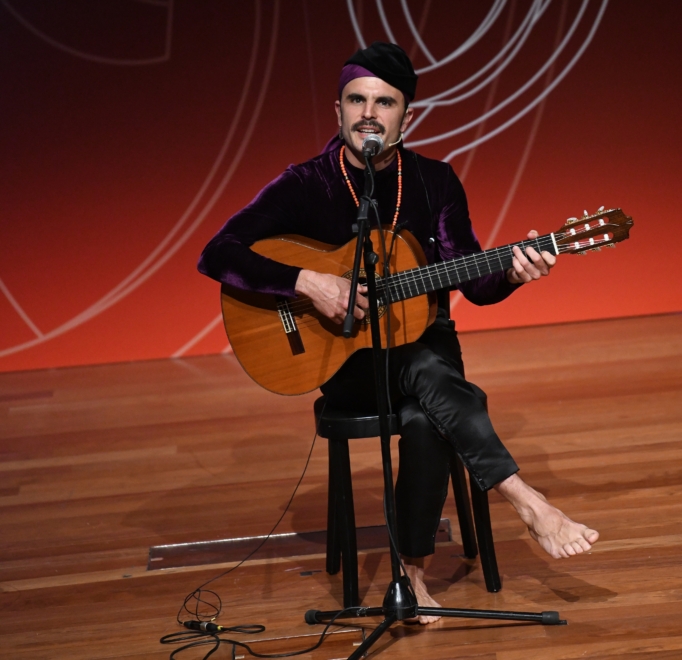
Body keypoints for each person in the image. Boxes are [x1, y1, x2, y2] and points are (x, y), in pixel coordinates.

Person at [198, 42, 598, 623]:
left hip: (425, 343)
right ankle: (526, 501)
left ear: (405, 117)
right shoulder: (307, 183)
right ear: (337, 111)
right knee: (433, 383)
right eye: (357, 99)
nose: (368, 112)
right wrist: (308, 282)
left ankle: (410, 578)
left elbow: (477, 282)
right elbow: (218, 253)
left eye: (384, 102)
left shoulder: (434, 181)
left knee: (424, 402)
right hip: (346, 364)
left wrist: (514, 273)